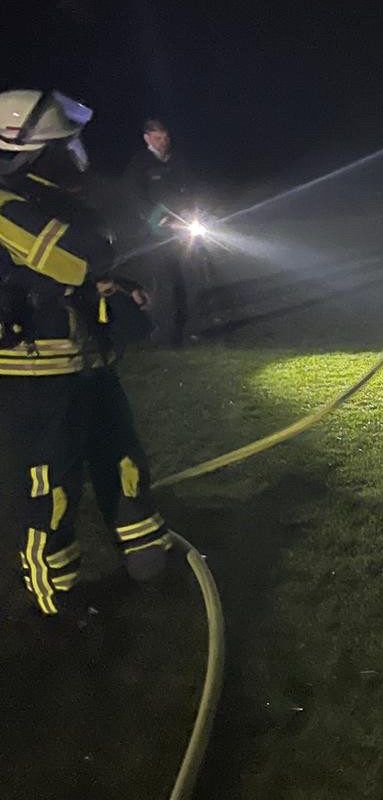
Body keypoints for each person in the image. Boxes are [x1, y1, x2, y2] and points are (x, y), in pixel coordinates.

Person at [1, 89, 168, 620]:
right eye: (67, 144)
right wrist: (98, 264)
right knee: (50, 485)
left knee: (122, 457)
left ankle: (147, 556)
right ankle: (57, 594)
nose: (78, 153)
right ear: (33, 153)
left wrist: (116, 286)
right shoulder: (6, 206)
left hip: (87, 359)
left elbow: (88, 267)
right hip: (35, 372)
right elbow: (79, 256)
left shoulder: (54, 201)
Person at [122, 118, 197, 347]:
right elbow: (135, 195)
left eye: (165, 137)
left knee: (185, 278)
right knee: (163, 281)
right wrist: (157, 218)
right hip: (154, 233)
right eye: (157, 138)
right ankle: (163, 332)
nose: (163, 142)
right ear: (147, 139)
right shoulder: (140, 163)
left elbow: (188, 189)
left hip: (181, 229)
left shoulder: (177, 161)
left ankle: (185, 327)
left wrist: (190, 210)